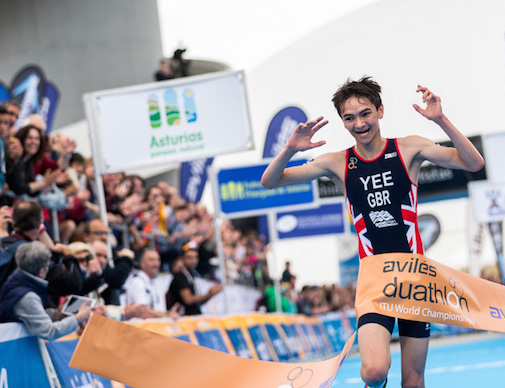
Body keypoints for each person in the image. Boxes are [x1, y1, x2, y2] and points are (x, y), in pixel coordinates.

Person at [261, 76, 484, 388]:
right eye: (349, 118)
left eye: (365, 113)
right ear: (342, 123)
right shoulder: (337, 163)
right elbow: (270, 181)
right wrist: (289, 149)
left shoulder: (410, 148)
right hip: (374, 281)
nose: (359, 123)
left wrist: (440, 120)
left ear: (380, 111)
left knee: (413, 380)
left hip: (415, 279)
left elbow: (474, 163)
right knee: (374, 371)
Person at [0, 241, 92, 339]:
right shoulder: (27, 297)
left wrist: (55, 314)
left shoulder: (16, 280)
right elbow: (49, 332)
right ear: (42, 271)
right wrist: (78, 318)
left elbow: (30, 316)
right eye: (49, 265)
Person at [165, 242, 222, 316]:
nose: (193, 261)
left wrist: (210, 294)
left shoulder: (191, 275)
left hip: (193, 317)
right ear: (182, 258)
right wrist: (209, 293)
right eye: (189, 257)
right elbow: (188, 300)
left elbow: (198, 301)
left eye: (196, 257)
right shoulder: (180, 276)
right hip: (184, 319)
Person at [123, 249, 180, 318]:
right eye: (151, 260)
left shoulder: (156, 282)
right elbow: (143, 312)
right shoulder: (137, 282)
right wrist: (167, 315)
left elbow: (158, 310)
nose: (156, 263)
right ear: (142, 264)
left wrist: (169, 313)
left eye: (158, 260)